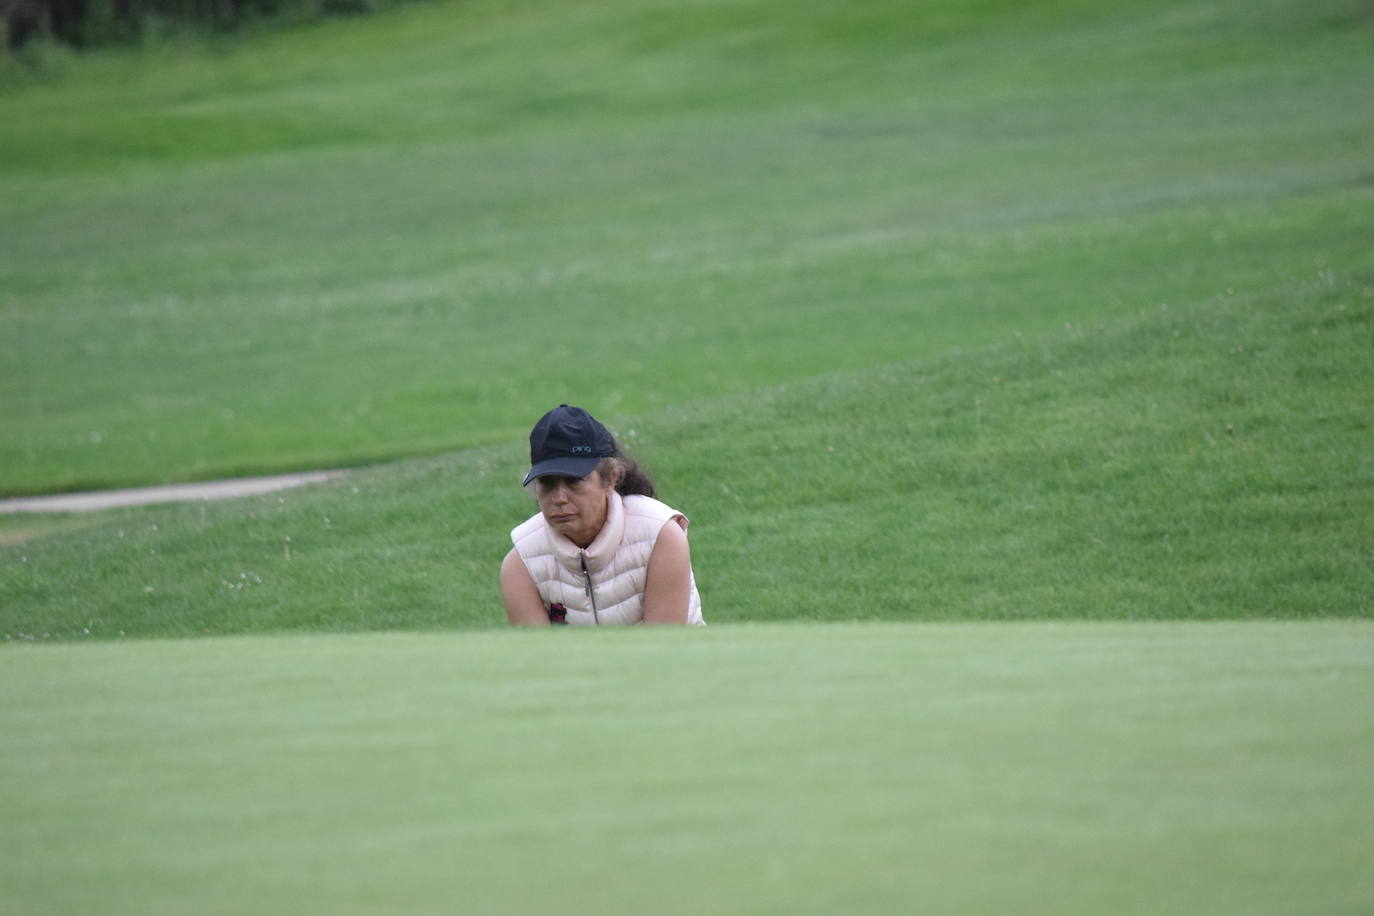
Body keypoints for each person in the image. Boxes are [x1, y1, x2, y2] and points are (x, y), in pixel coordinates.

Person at [500, 405, 705, 626]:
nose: (559, 498)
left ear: (610, 480)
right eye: (547, 483)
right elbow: (538, 657)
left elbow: (664, 648)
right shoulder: (520, 563)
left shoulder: (661, 536)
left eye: (573, 481)